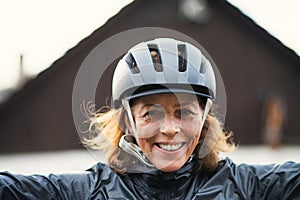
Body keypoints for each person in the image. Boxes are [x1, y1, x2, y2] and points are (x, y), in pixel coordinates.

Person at [0, 38, 299, 199]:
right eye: (151, 113)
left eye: (185, 112)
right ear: (128, 122)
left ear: (205, 119)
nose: (170, 129)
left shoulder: (244, 186)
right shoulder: (90, 191)